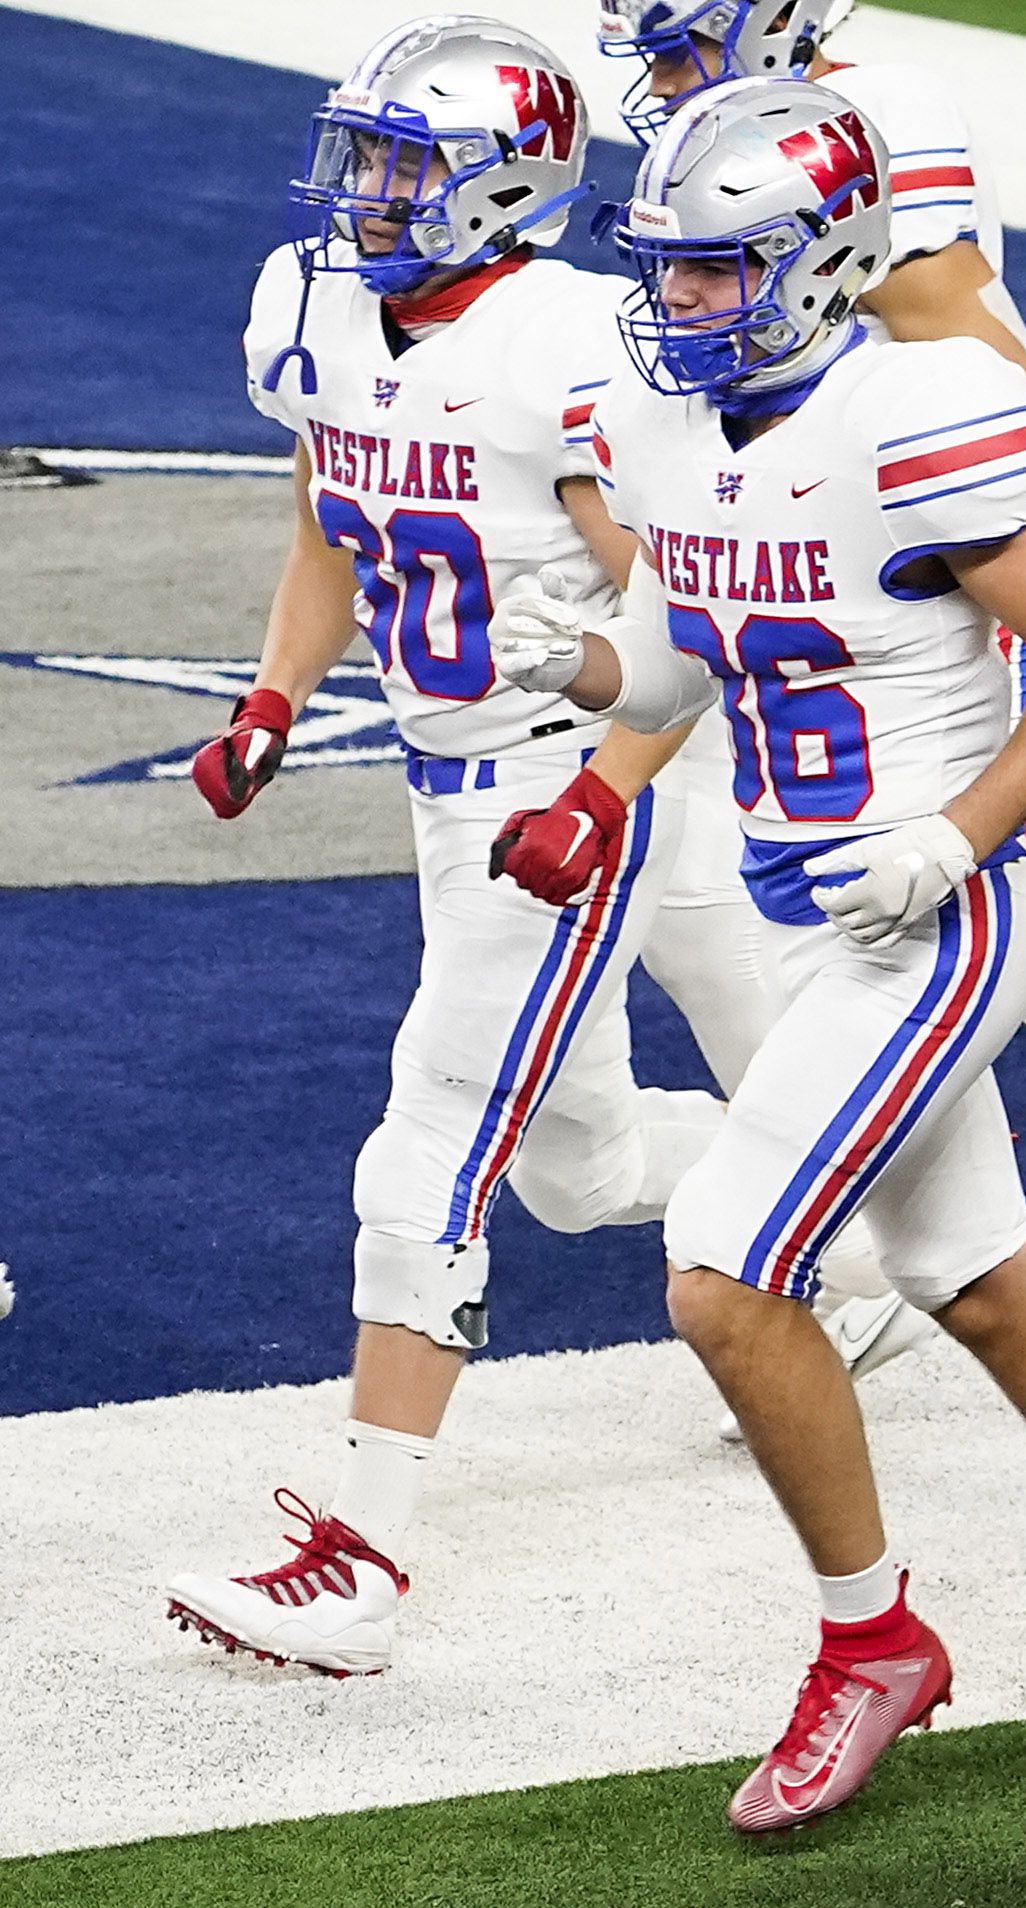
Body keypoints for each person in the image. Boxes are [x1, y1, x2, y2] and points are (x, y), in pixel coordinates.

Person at [489, 76, 1026, 1826]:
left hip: (947, 913)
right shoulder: (669, 428)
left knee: (724, 1268)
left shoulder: (921, 409)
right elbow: (695, 647)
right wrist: (590, 674)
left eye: (715, 275)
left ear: (820, 264)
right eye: (663, 271)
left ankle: (870, 1637)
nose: (674, 306)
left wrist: (957, 832)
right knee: (983, 1283)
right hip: (810, 904)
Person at [163, 16, 768, 1679]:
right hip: (451, 785)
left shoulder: (570, 349)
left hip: (562, 777)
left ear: (507, 188)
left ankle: (364, 1560)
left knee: (429, 1131)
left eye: (405, 165)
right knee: (572, 1171)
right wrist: (276, 696)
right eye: (361, 155)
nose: (364, 192)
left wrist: (608, 789)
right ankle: (821, 1214)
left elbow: (690, 609)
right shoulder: (327, 312)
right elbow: (330, 503)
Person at [598, 0, 1026, 1426]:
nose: (657, 82)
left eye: (677, 43)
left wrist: (866, 487)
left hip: (926, 558)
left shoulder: (878, 112)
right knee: (928, 932)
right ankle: (933, 1252)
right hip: (829, 554)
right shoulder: (723, 149)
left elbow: (992, 382)